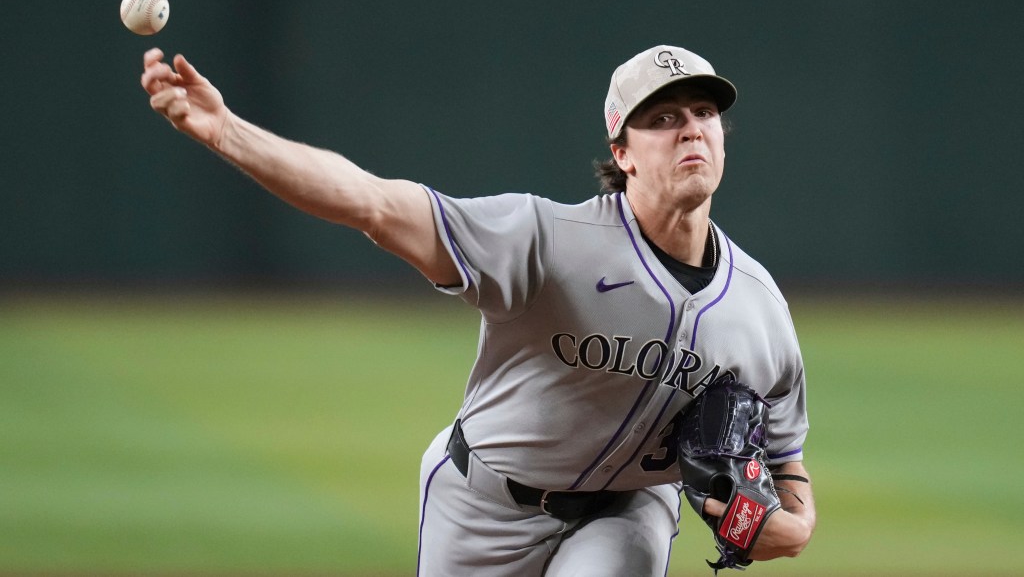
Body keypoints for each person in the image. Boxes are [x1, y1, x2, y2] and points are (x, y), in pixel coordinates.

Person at [141, 43, 816, 576]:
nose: (690, 129)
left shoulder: (759, 311)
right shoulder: (546, 240)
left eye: (703, 113)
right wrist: (227, 131)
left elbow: (789, 473)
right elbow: (372, 203)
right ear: (622, 154)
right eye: (663, 119)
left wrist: (780, 527)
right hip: (483, 503)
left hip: (627, 513)